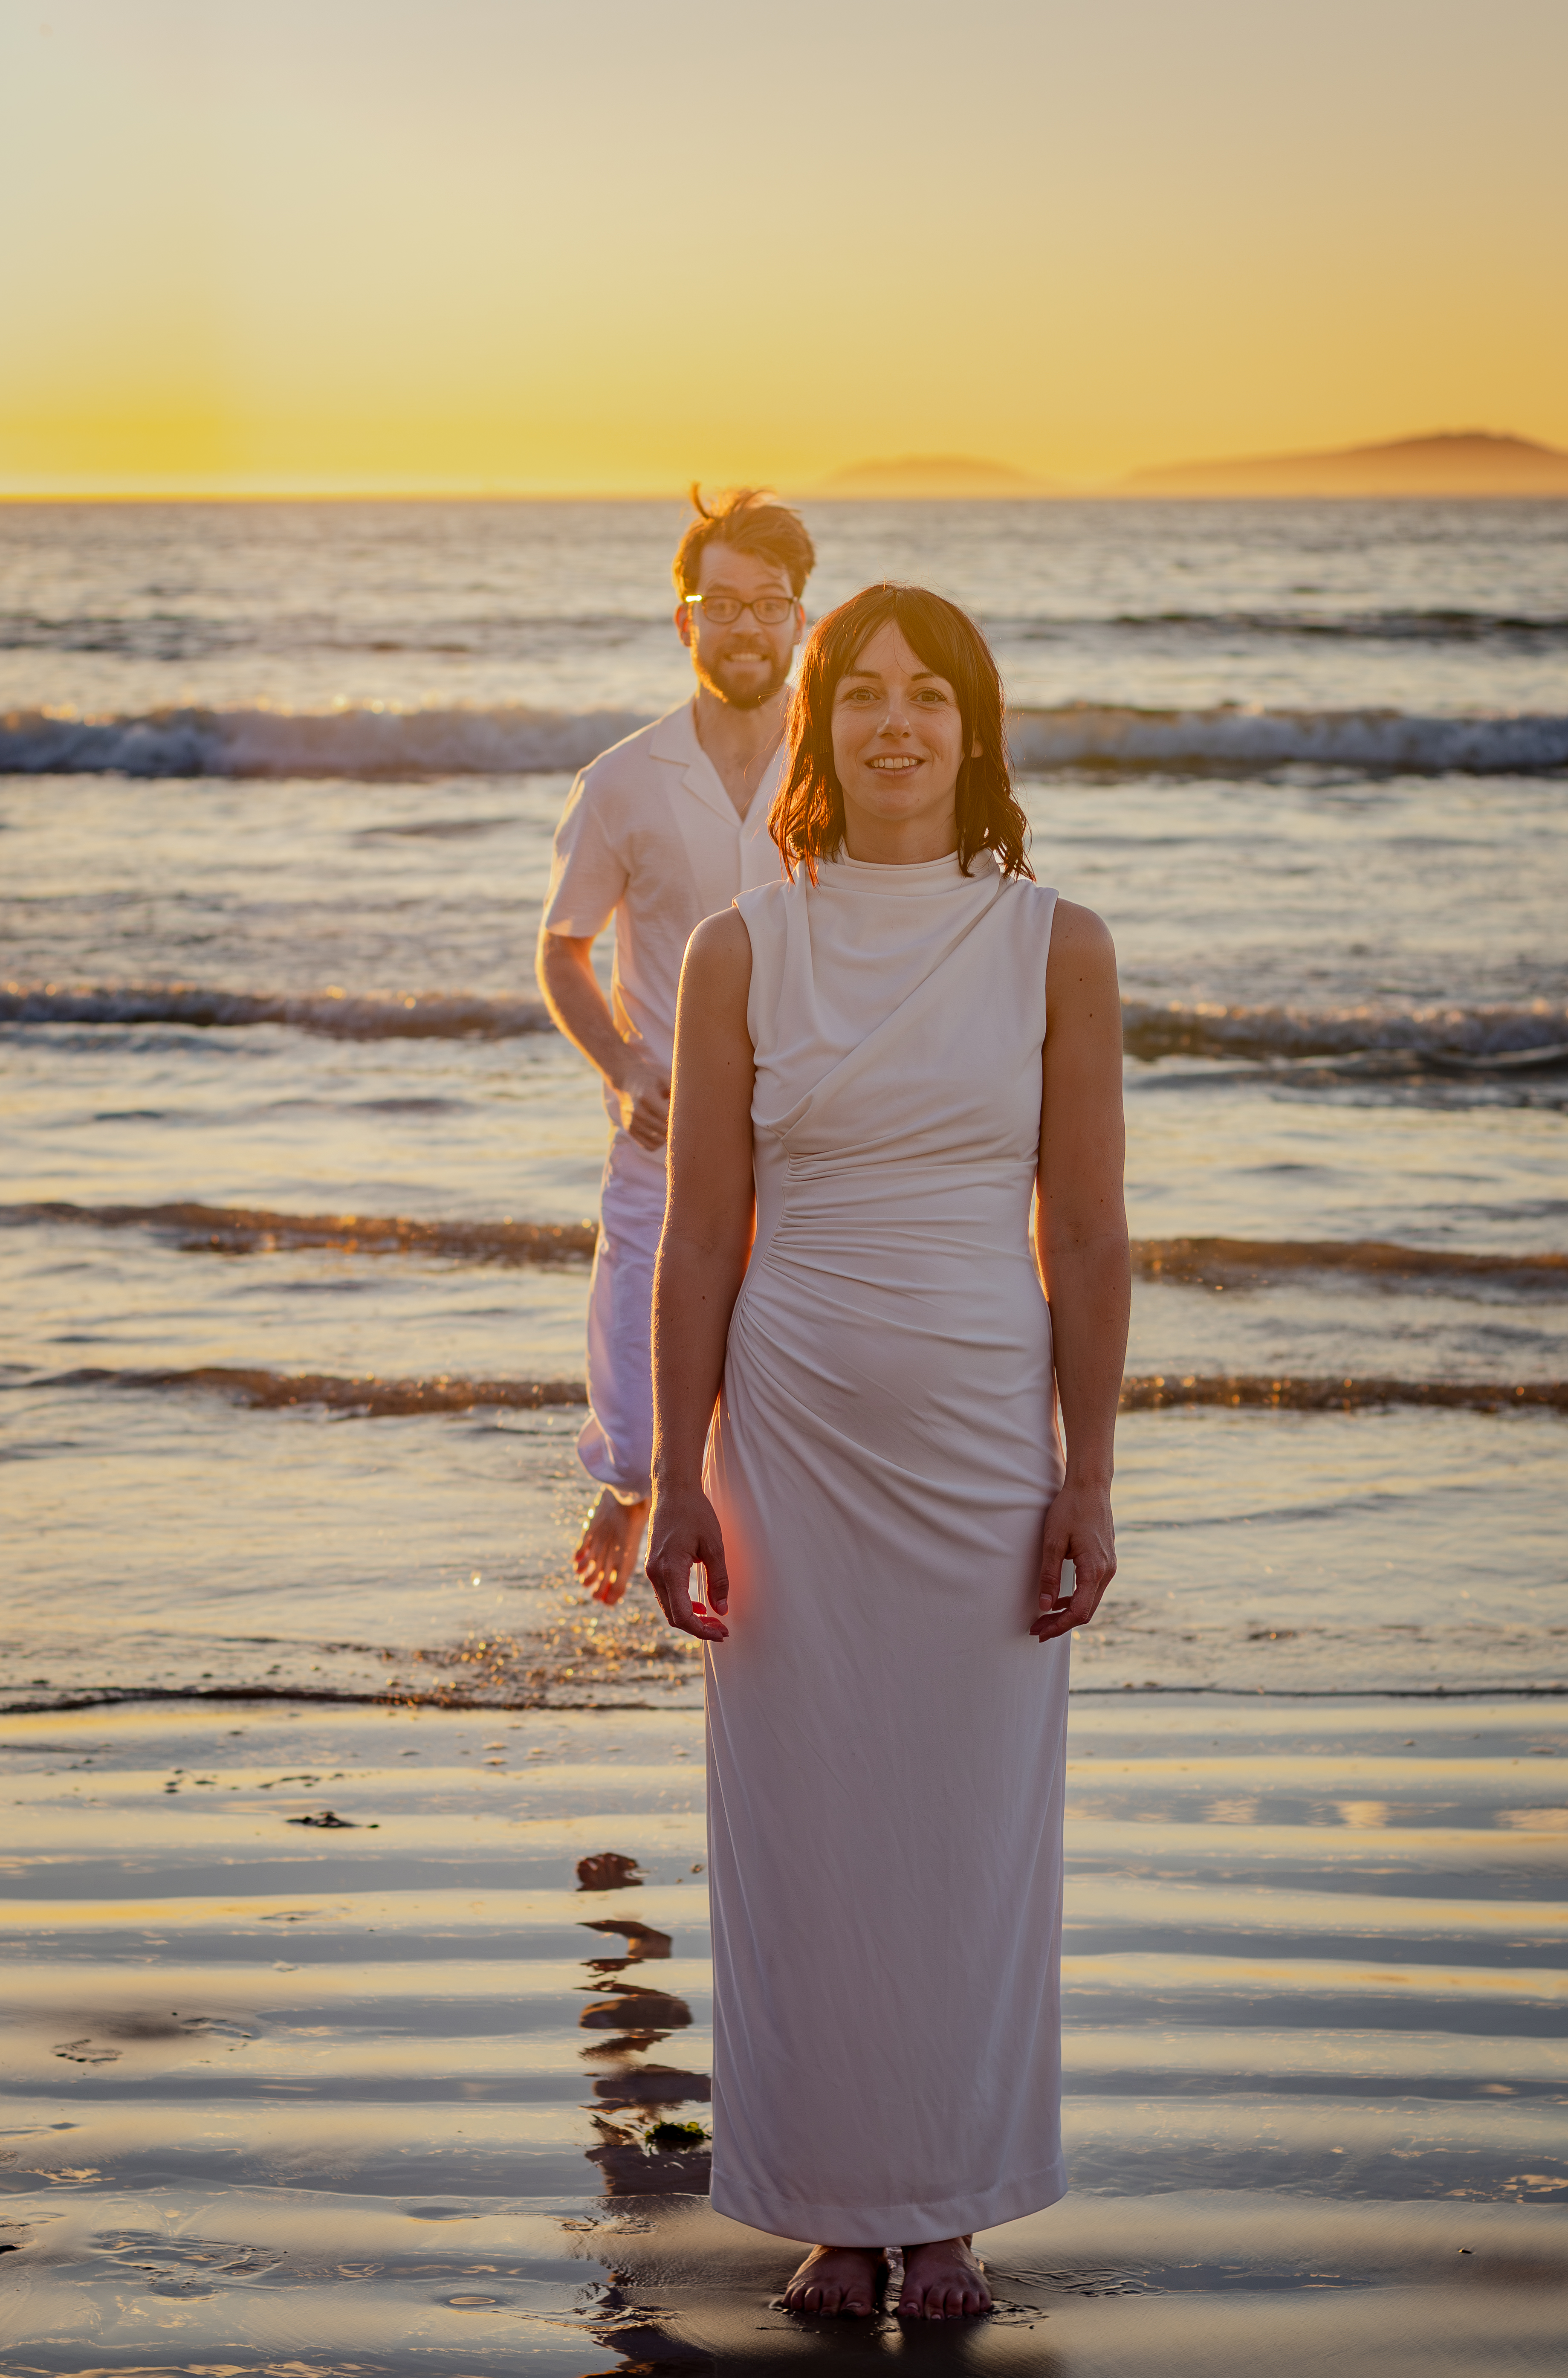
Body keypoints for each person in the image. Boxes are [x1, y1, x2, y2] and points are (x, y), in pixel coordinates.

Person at [645, 585, 1130, 2320]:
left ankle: (951, 2206)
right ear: (821, 729)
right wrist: (674, 1473)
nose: (896, 722)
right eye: (865, 695)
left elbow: (1085, 1234)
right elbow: (702, 1240)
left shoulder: (1054, 942)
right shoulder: (739, 952)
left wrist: (1090, 1477)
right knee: (802, 1824)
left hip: (985, 1451)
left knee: (969, 1826)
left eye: (931, 695)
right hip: (790, 1449)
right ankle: (834, 2204)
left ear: (975, 728)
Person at [537, 487, 816, 1599]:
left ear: (801, 619)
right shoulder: (622, 781)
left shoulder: (845, 768)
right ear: (685, 621)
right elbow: (562, 951)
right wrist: (625, 1064)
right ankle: (636, 1481)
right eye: (725, 605)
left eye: (771, 605)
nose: (747, 628)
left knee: (801, 1344)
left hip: (816, 1118)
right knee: (641, 1286)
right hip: (670, 1112)